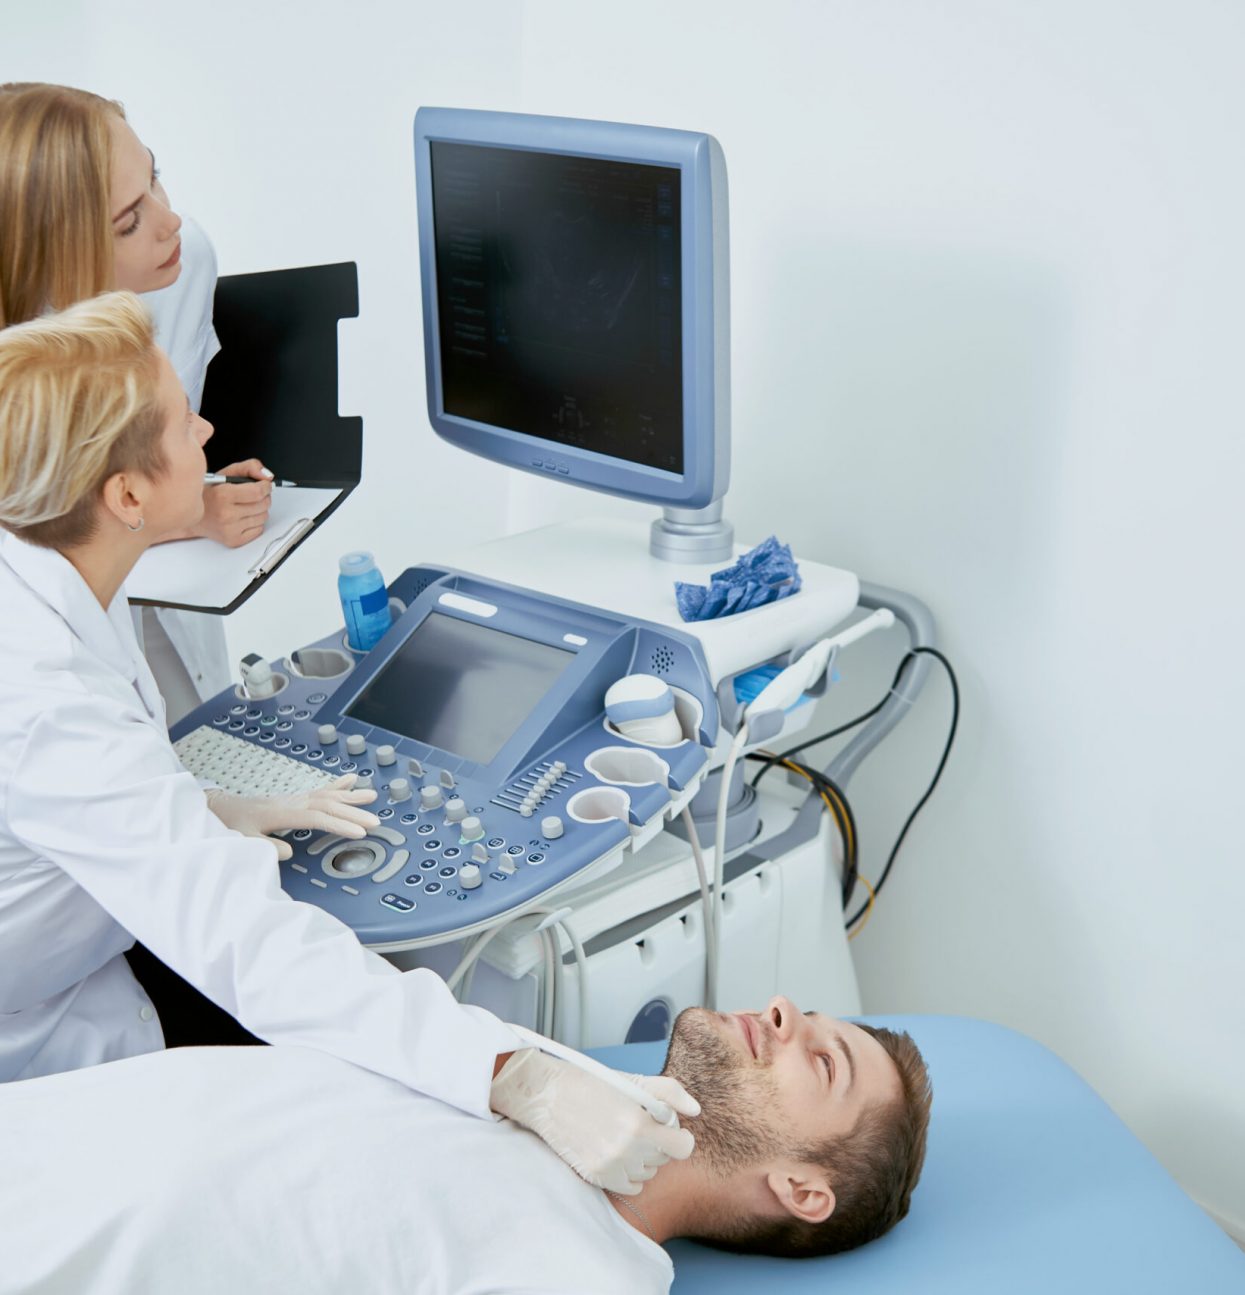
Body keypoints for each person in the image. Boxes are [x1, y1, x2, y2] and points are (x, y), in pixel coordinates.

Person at [0, 292, 697, 1196]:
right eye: (183, 422)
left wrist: (204, 807)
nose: (208, 426)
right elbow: (246, 942)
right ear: (125, 494)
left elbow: (68, 802)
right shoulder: (43, 691)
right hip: (37, 1025)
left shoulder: (59, 565)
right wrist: (515, 1074)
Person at [0, 997, 932, 1293]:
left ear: (802, 1187)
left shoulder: (583, 1275)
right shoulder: (542, 1064)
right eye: (804, 1009)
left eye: (822, 1057)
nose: (781, 1011)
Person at [0, 79, 270, 723]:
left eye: (156, 179)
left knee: (193, 743)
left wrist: (194, 498)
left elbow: (151, 458)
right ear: (48, 259)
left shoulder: (180, 263)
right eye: (129, 221)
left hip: (144, 598)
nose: (169, 220)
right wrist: (188, 517)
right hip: (37, 652)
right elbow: (41, 539)